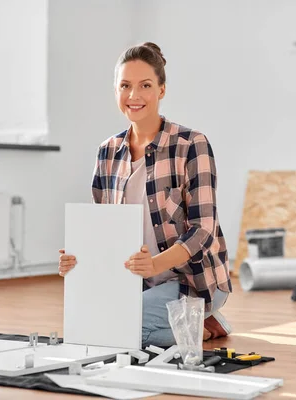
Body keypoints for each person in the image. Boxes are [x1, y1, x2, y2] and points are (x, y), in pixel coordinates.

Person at [58, 42, 232, 348]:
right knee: (89, 324)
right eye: (125, 85)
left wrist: (155, 264)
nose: (133, 96)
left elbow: (203, 230)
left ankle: (201, 321)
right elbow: (101, 228)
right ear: (115, 90)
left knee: (123, 330)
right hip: (135, 282)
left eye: (145, 85)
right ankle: (187, 323)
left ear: (161, 90)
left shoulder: (191, 144)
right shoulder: (107, 152)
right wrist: (77, 259)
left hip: (190, 279)